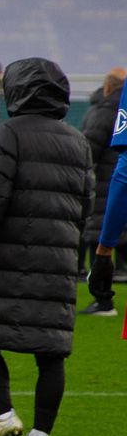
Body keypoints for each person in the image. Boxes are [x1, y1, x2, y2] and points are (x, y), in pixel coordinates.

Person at [0, 58, 94, 436]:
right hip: (60, 258)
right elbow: (86, 205)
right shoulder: (77, 141)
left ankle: (4, 414)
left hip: (8, 254)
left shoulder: (7, 134)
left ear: (15, 90)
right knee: (51, 351)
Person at [79, 68, 126, 315]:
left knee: (95, 233)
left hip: (107, 186)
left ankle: (103, 299)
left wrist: (104, 249)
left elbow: (124, 172)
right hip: (112, 184)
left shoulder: (104, 110)